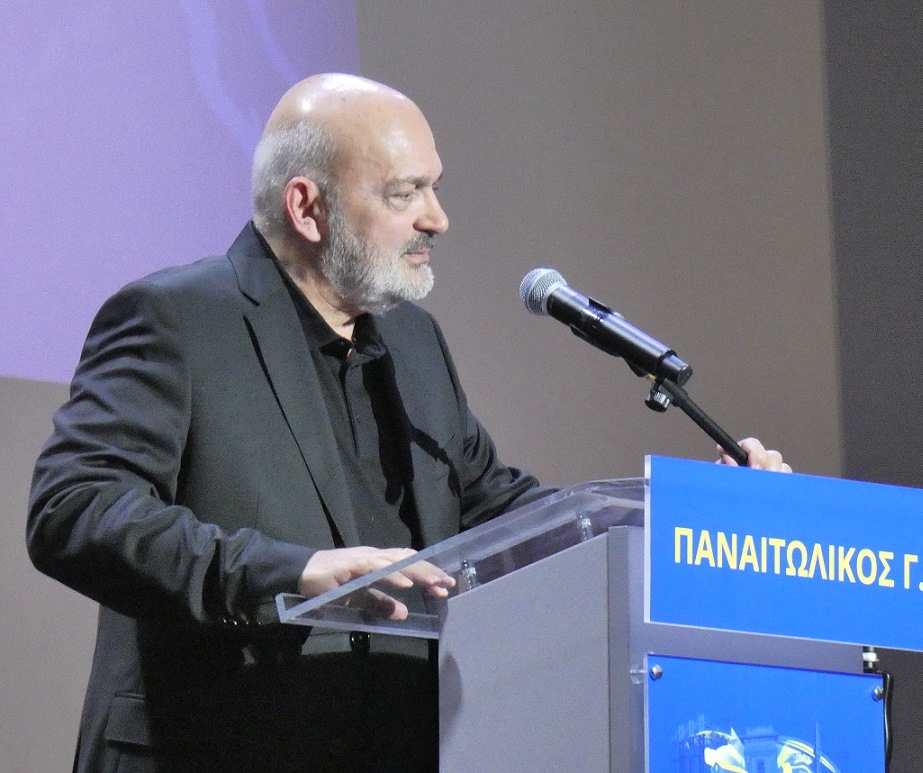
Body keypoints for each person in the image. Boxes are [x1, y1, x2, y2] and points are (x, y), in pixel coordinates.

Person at [27, 73, 788, 773]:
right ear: (307, 207)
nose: (438, 218)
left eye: (435, 188)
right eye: (405, 193)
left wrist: (683, 519)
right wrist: (292, 572)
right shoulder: (178, 319)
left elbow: (500, 511)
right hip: (215, 747)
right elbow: (74, 510)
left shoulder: (413, 343)